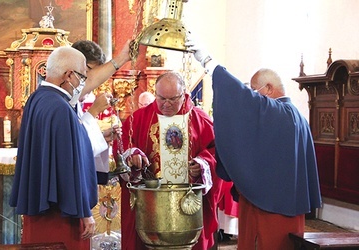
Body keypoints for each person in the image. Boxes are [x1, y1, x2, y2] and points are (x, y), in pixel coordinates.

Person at [188, 40, 322, 250]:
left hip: (270, 208)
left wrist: (210, 63)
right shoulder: (296, 116)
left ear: (268, 89)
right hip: (284, 204)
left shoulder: (279, 113)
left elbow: (243, 99)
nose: (252, 94)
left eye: (254, 89)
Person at [117, 71, 224, 250]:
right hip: (150, 204)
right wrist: (133, 155)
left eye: (173, 99)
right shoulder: (139, 119)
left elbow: (217, 151)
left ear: (183, 94)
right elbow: (122, 145)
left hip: (188, 204)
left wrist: (202, 163)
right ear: (155, 93)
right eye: (161, 98)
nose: (166, 104)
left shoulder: (200, 120)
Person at [9, 46, 98, 250]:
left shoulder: (37, 98)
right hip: (62, 213)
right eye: (81, 77)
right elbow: (68, 165)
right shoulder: (60, 107)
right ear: (68, 75)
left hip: (41, 208)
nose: (82, 84)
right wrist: (84, 212)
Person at [72, 40, 131, 184]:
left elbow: (80, 140)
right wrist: (94, 110)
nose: (92, 81)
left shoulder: (76, 102)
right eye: (89, 71)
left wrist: (101, 137)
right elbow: (69, 146)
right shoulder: (58, 99)